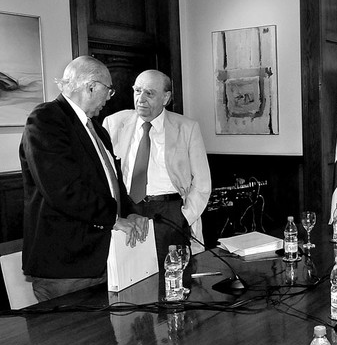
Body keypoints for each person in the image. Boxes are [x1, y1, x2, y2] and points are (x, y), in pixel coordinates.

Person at [20, 56, 148, 302]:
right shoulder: (46, 119)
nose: (109, 98)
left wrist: (130, 211)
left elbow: (113, 183)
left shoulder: (97, 129)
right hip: (66, 265)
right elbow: (63, 189)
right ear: (91, 86)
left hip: (101, 258)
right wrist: (114, 218)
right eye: (108, 90)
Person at [104, 70, 211, 269]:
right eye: (137, 91)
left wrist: (184, 218)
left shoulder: (186, 128)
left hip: (168, 213)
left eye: (149, 94)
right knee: (130, 277)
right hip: (128, 211)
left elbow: (202, 184)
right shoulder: (114, 123)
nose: (140, 99)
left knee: (173, 278)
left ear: (166, 98)